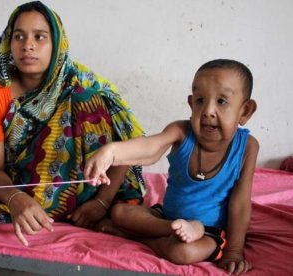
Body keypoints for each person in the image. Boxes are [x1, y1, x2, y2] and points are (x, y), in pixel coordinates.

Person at [0, 1, 146, 247]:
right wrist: (16, 199)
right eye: (18, 36)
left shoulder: (83, 84)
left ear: (57, 44)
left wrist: (102, 202)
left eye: (39, 37)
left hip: (90, 190)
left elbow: (126, 146)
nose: (27, 45)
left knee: (87, 100)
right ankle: (63, 212)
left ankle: (93, 209)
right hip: (27, 186)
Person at [84, 59, 258, 275]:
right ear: (191, 103)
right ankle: (168, 230)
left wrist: (233, 251)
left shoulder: (247, 147)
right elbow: (150, 147)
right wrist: (111, 152)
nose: (208, 111)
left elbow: (240, 203)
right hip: (165, 218)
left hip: (209, 231)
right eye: (200, 100)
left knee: (182, 253)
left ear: (245, 111)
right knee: (119, 212)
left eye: (222, 101)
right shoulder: (181, 132)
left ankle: (135, 235)